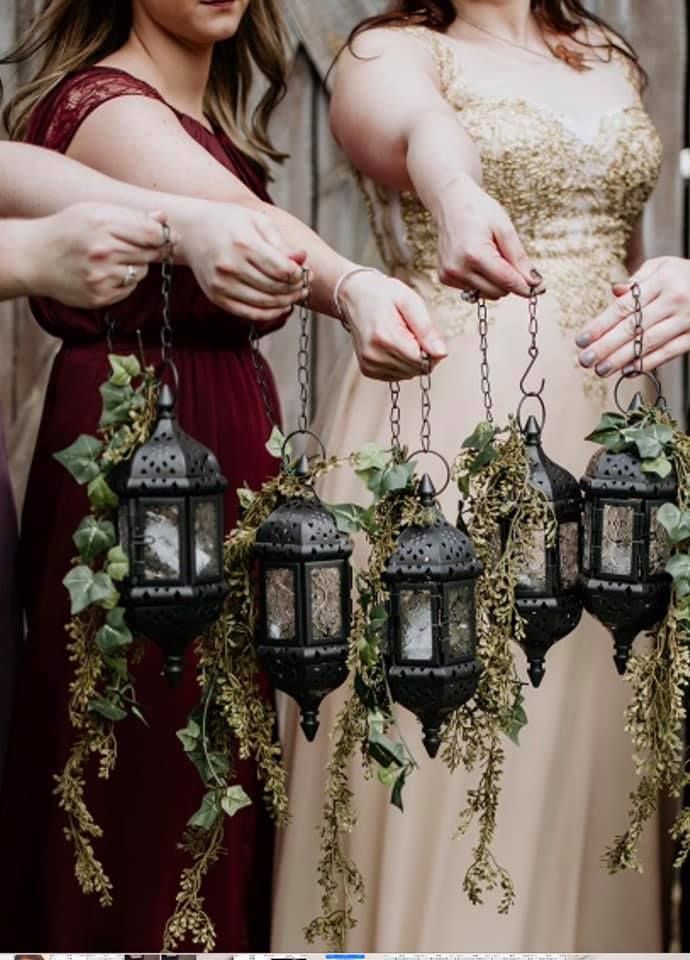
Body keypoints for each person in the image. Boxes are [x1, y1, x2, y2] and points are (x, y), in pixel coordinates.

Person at [0, 0, 446, 949]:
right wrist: (357, 284)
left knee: (224, 776)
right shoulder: (104, 105)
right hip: (139, 480)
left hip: (223, 459)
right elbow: (256, 229)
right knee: (146, 772)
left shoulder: (199, 119)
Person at [273, 0, 664, 951]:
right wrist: (455, 195)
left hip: (614, 449)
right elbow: (421, 131)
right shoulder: (387, 51)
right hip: (452, 433)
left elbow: (625, 245)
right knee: (454, 753)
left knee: (592, 751)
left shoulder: (607, 52)